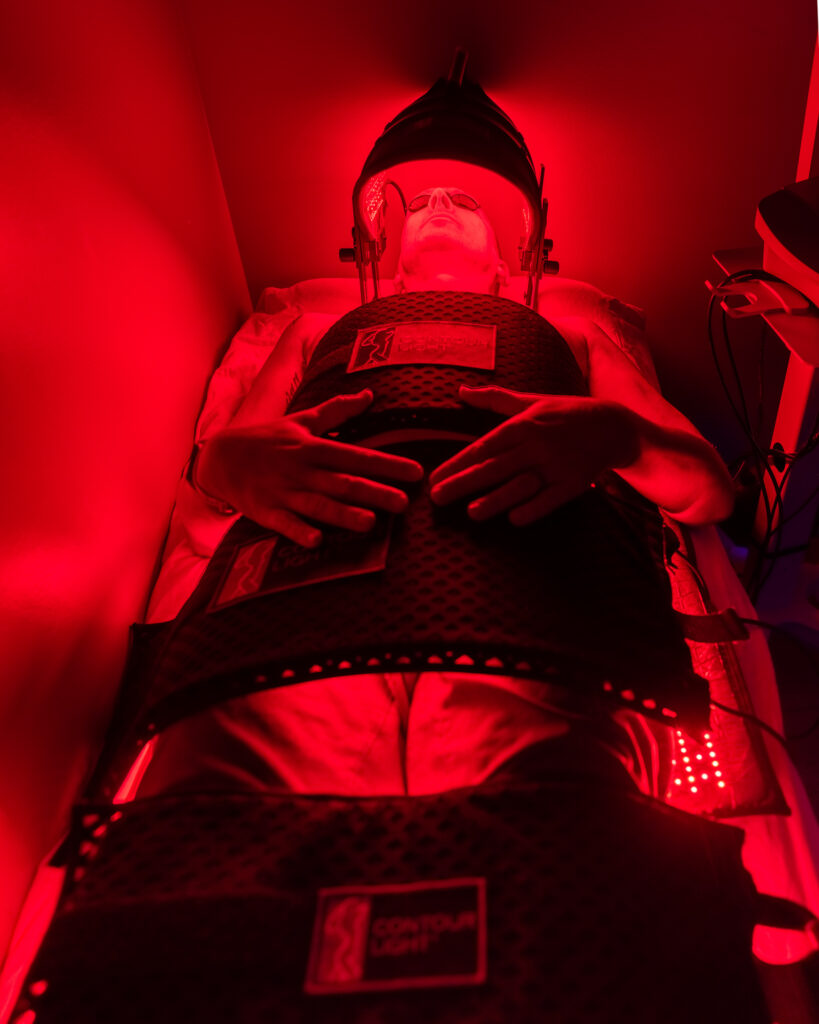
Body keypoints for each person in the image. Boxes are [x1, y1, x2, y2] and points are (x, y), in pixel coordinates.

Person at [135, 186, 735, 801]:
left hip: (526, 589)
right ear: (392, 271)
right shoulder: (317, 330)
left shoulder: (569, 336)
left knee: (550, 807)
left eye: (465, 203)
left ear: (503, 268)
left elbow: (710, 494)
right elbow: (213, 502)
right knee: (219, 803)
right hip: (308, 588)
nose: (440, 201)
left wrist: (620, 436)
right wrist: (222, 463)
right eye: (419, 202)